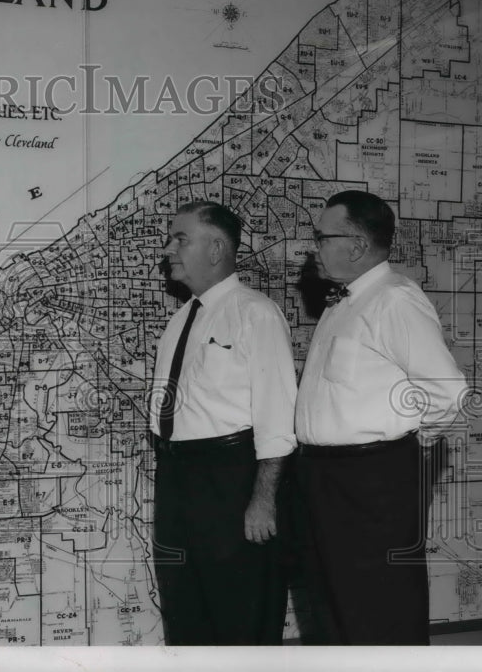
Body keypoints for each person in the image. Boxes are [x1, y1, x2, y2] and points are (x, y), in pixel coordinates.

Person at [295, 189, 465, 645]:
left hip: (372, 482)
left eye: (322, 235)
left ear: (355, 244)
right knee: (333, 608)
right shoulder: (343, 303)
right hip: (325, 479)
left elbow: (446, 392)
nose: (315, 245)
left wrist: (402, 452)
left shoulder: (394, 300)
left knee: (380, 609)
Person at [150, 200, 297, 645]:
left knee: (240, 612)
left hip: (232, 479)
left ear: (216, 248)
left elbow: (278, 416)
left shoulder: (256, 314)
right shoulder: (181, 319)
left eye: (180, 238)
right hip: (179, 478)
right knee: (186, 606)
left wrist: (263, 500)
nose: (168, 249)